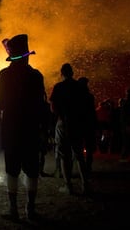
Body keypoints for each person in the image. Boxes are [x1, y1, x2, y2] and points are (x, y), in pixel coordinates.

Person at [0, 34, 46, 221]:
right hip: (31, 129)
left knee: (12, 170)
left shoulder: (3, 75)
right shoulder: (36, 75)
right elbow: (42, 105)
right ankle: (30, 209)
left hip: (11, 129)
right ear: (27, 55)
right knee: (32, 170)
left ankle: (13, 209)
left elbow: (0, 104)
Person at [49, 63, 90, 196]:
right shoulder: (80, 87)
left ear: (62, 73)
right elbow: (86, 106)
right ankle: (85, 185)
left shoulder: (59, 87)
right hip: (77, 124)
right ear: (72, 73)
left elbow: (53, 108)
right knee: (79, 155)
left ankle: (68, 186)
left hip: (63, 124)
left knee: (64, 156)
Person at [78, 77, 97, 177]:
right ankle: (88, 168)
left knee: (78, 148)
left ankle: (82, 169)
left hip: (78, 124)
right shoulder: (90, 96)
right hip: (88, 124)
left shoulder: (75, 97)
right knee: (89, 148)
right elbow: (92, 112)